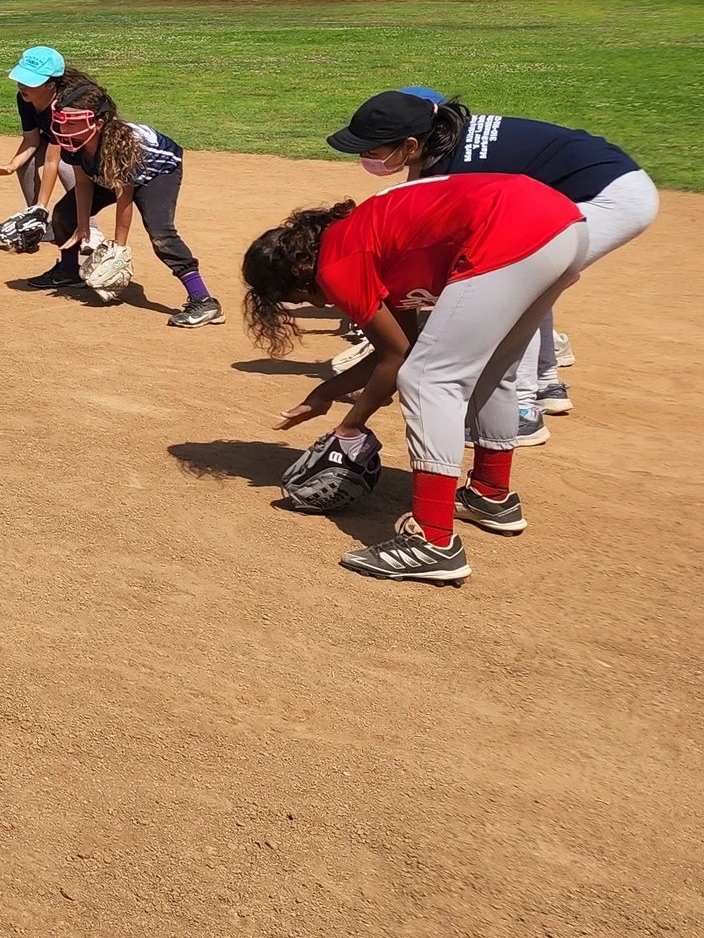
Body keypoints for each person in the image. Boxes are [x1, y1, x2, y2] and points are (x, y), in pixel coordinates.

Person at [241, 173, 585, 584]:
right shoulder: (356, 243)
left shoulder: (337, 264)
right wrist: (326, 392)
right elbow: (396, 348)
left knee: (430, 379)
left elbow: (403, 362)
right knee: (494, 369)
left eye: (299, 298)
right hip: (562, 226)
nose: (318, 303)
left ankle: (432, 542)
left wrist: (351, 425)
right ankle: (491, 495)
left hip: (510, 229)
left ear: (297, 274)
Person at [325, 90, 656, 438]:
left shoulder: (458, 166)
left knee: (512, 289)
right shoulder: (442, 137)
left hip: (607, 200)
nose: (364, 157)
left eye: (371, 150)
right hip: (608, 185)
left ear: (410, 146)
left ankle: (522, 410)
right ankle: (545, 383)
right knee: (527, 280)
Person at [33, 76, 222, 327]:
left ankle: (204, 299)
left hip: (157, 171)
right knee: (63, 213)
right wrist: (81, 226)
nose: (65, 130)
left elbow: (125, 198)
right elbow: (83, 183)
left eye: (73, 123)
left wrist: (118, 248)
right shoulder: (74, 141)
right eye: (63, 123)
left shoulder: (120, 145)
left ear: (99, 122)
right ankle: (68, 270)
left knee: (160, 231)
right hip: (112, 173)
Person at [0, 45, 72, 235]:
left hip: (86, 150)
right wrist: (11, 166)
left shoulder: (64, 105)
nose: (22, 85)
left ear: (51, 85)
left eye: (30, 82)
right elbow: (31, 140)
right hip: (56, 145)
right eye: (21, 79)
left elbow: (52, 160)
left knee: (66, 166)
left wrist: (42, 203)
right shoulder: (25, 99)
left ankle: (88, 227)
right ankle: (37, 221)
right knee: (25, 163)